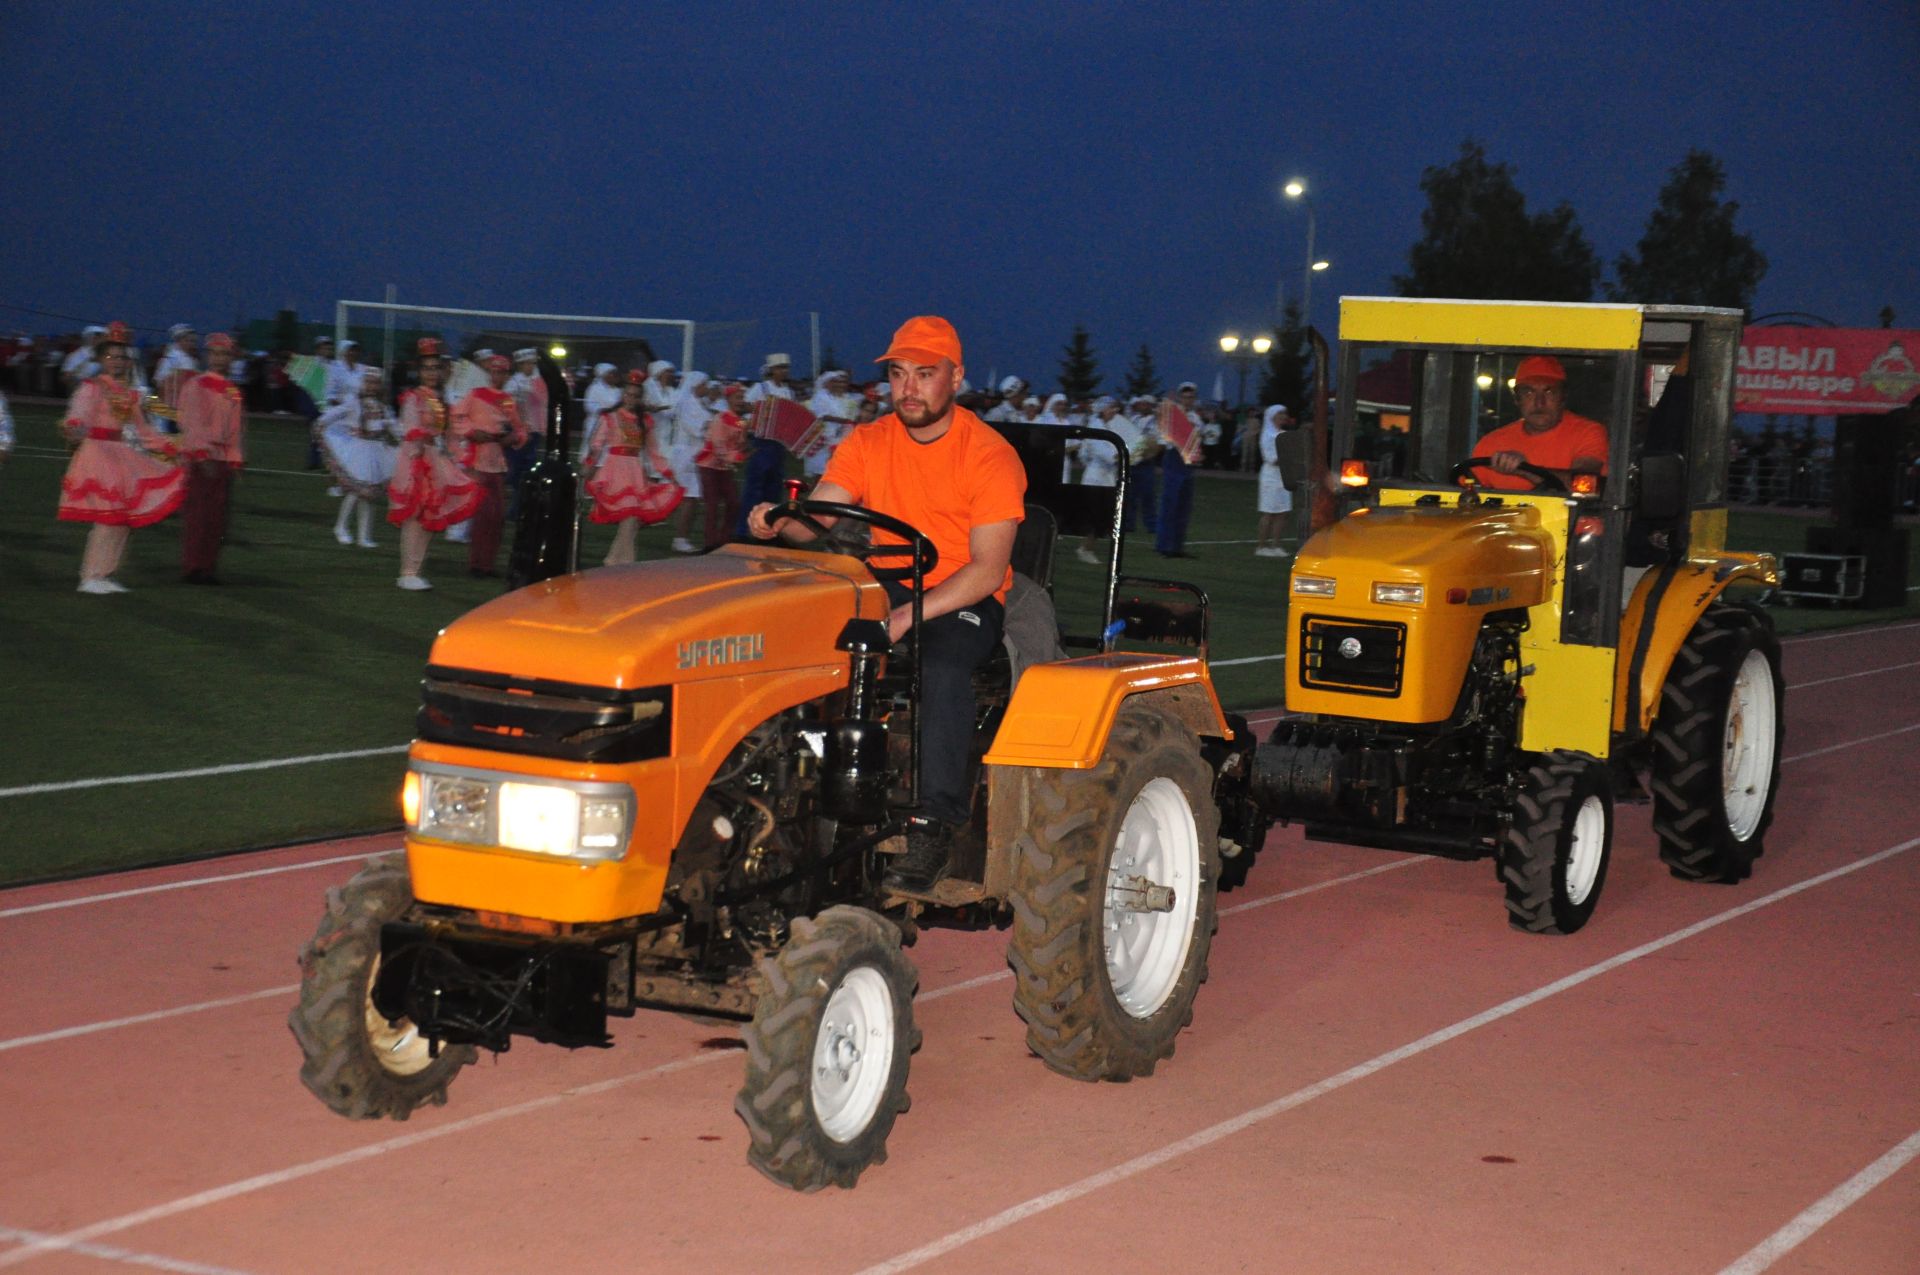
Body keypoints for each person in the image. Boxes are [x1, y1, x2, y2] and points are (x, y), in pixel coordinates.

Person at [747, 315, 1026, 892]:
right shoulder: (869, 441)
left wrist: (903, 617)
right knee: (789, 630)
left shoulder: (989, 454)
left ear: (956, 377)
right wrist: (780, 521)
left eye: (925, 375)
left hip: (960, 592)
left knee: (942, 665)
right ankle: (778, 788)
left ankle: (934, 825)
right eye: (899, 374)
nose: (909, 389)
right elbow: (820, 519)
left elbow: (988, 569)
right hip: (883, 581)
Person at [58, 324, 186, 593]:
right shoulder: (93, 387)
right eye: (111, 356)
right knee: (108, 518)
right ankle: (90, 575)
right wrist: (74, 426)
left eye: (121, 357)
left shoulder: (131, 393)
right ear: (102, 359)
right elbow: (80, 414)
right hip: (98, 452)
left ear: (128, 361)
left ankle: (105, 573)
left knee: (123, 519)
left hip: (120, 454)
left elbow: (144, 429)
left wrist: (173, 447)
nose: (116, 361)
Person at [388, 338, 482, 591]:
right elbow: (410, 428)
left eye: (436, 368)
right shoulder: (414, 398)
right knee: (415, 516)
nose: (432, 373)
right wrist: (424, 442)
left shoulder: (442, 400)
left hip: (436, 461)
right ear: (420, 371)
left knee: (430, 516)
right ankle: (407, 571)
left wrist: (461, 455)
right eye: (427, 368)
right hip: (417, 461)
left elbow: (452, 433)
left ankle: (416, 570)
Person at [584, 370, 683, 564]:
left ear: (640, 398)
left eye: (636, 396)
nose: (631, 399)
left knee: (632, 519)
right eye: (628, 394)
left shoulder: (645, 421)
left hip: (635, 470)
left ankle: (616, 559)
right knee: (630, 516)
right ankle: (622, 561)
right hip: (615, 469)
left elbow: (653, 451)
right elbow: (597, 444)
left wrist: (667, 473)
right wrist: (589, 466)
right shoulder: (610, 417)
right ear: (623, 395)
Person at [1469, 355, 1609, 491]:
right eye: (1529, 393)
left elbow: (1586, 484)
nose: (1539, 403)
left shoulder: (1588, 433)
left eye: (1549, 392)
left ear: (1563, 397)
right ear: (1517, 399)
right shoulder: (1490, 444)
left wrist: (1525, 469)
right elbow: (1466, 493)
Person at [174, 333, 246, 584]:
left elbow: (236, 428)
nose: (219, 359)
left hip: (222, 459)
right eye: (215, 354)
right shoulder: (197, 385)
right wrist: (202, 454)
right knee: (198, 516)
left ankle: (208, 566)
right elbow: (192, 422)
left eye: (224, 354)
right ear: (208, 356)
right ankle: (192, 566)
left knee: (217, 519)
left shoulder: (232, 391)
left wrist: (235, 458)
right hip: (201, 458)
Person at [451, 353, 529, 577]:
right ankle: (476, 563)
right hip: (478, 458)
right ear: (489, 373)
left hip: (497, 460)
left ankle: (487, 564)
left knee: (496, 516)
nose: (498, 376)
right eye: (495, 371)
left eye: (503, 372)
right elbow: (457, 415)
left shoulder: (508, 401)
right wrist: (472, 432)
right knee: (482, 515)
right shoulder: (476, 395)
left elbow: (520, 429)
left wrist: (513, 438)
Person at [317, 367, 397, 547]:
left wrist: (405, 438)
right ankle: (341, 527)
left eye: (375, 383)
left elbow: (394, 426)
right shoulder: (354, 403)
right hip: (359, 450)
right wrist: (322, 422)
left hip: (376, 451)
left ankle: (364, 535)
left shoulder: (383, 407)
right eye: (368, 382)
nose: (371, 386)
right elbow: (336, 413)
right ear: (363, 383)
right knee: (356, 491)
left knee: (370, 495)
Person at [696, 381, 749, 548]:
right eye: (737, 398)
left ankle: (724, 539)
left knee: (734, 502)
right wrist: (735, 457)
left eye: (742, 398)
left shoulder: (740, 421)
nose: (740, 401)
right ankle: (710, 543)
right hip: (710, 465)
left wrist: (742, 447)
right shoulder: (721, 418)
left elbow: (740, 443)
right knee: (712, 505)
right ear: (728, 399)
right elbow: (718, 445)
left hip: (724, 466)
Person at [1155, 381, 1201, 557]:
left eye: (1191, 397)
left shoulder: (1195, 417)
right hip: (1174, 458)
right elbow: (1166, 440)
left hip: (1187, 461)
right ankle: (1164, 546)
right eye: (1185, 396)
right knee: (1170, 504)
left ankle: (1177, 546)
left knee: (1184, 506)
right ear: (1180, 397)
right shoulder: (1172, 415)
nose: (1188, 399)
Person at [504, 348, 547, 515]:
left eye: (533, 363)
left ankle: (519, 507)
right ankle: (515, 506)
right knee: (516, 470)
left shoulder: (536, 381)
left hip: (532, 431)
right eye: (529, 363)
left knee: (527, 471)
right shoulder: (513, 383)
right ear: (521, 365)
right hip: (519, 432)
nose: (531, 367)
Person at [1256, 404, 1293, 557]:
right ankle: (1261, 546)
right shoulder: (1268, 435)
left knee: (1282, 512)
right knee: (1269, 512)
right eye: (1280, 414)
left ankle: (1276, 545)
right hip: (1271, 476)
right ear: (1272, 416)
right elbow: (1271, 458)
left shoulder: (1283, 434)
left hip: (1283, 476)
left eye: (1284, 414)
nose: (1283, 417)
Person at [1123, 391, 1161, 534]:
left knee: (1147, 495)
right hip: (1133, 460)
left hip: (1145, 462)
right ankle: (1128, 523)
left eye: (1145, 404)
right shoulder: (1134, 418)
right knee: (1130, 494)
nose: (1142, 406)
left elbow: (1154, 441)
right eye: (1141, 403)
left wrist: (1147, 454)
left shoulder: (1155, 422)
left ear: (1151, 406)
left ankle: (1151, 525)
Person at [580, 363, 624, 461]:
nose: (614, 376)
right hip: (596, 423)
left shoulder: (618, 391)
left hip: (612, 424)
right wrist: (602, 410)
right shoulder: (594, 388)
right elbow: (588, 405)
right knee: (593, 449)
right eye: (611, 373)